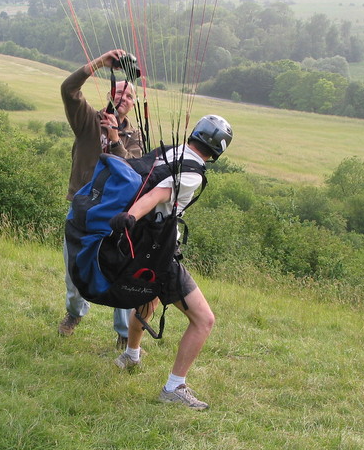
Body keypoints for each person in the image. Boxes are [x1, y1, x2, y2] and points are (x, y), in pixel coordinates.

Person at [111, 114, 233, 410]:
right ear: (219, 149)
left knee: (149, 300)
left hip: (142, 244)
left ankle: (131, 354)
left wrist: (131, 219)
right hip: (159, 250)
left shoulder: (173, 151)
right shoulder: (193, 173)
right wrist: (132, 216)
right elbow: (156, 194)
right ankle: (174, 387)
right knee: (204, 320)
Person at [58, 49, 144, 348]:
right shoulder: (87, 122)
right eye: (119, 91)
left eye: (129, 96)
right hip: (82, 211)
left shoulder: (134, 137)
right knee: (75, 271)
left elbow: (135, 172)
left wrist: (117, 139)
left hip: (115, 216)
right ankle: (74, 313)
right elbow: (68, 90)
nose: (123, 98)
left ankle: (123, 335)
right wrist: (99, 63)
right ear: (111, 91)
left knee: (121, 273)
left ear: (133, 104)